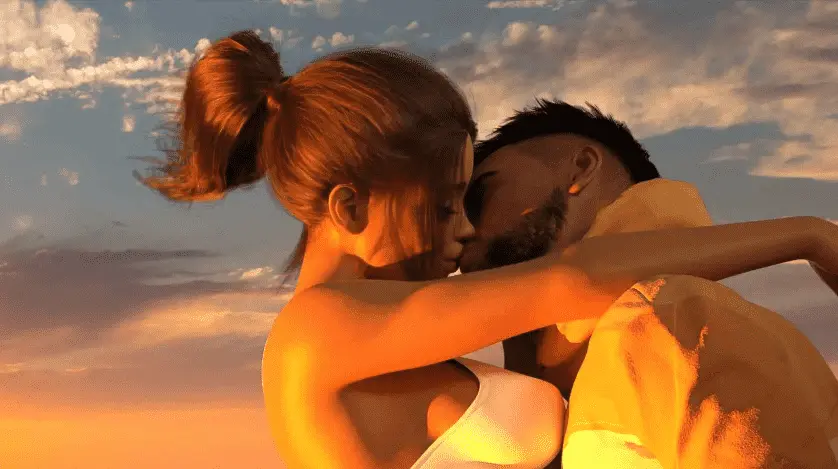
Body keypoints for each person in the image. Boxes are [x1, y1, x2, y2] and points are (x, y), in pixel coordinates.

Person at [137, 31, 838, 469]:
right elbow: (571, 279)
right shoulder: (316, 333)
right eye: (446, 205)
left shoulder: (380, 330)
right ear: (350, 208)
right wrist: (807, 233)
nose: (465, 231)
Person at [460, 99, 838, 468]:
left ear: (582, 168)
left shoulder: (660, 320)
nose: (461, 230)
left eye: (480, 195)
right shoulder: (607, 350)